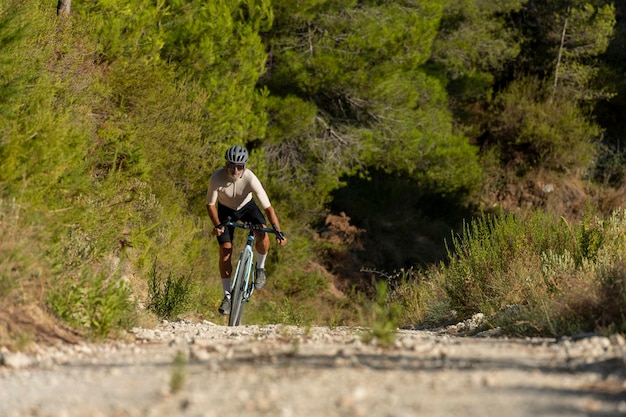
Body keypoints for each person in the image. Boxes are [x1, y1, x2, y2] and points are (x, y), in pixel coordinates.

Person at [206, 145, 287, 315]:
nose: (235, 170)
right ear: (226, 164)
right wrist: (217, 225)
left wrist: (278, 231)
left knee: (263, 232)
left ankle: (260, 268)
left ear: (245, 167)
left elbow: (268, 208)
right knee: (225, 250)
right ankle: (227, 297)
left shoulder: (250, 178)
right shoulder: (216, 178)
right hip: (225, 211)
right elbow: (211, 205)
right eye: (231, 165)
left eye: (239, 167)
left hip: (247, 208)